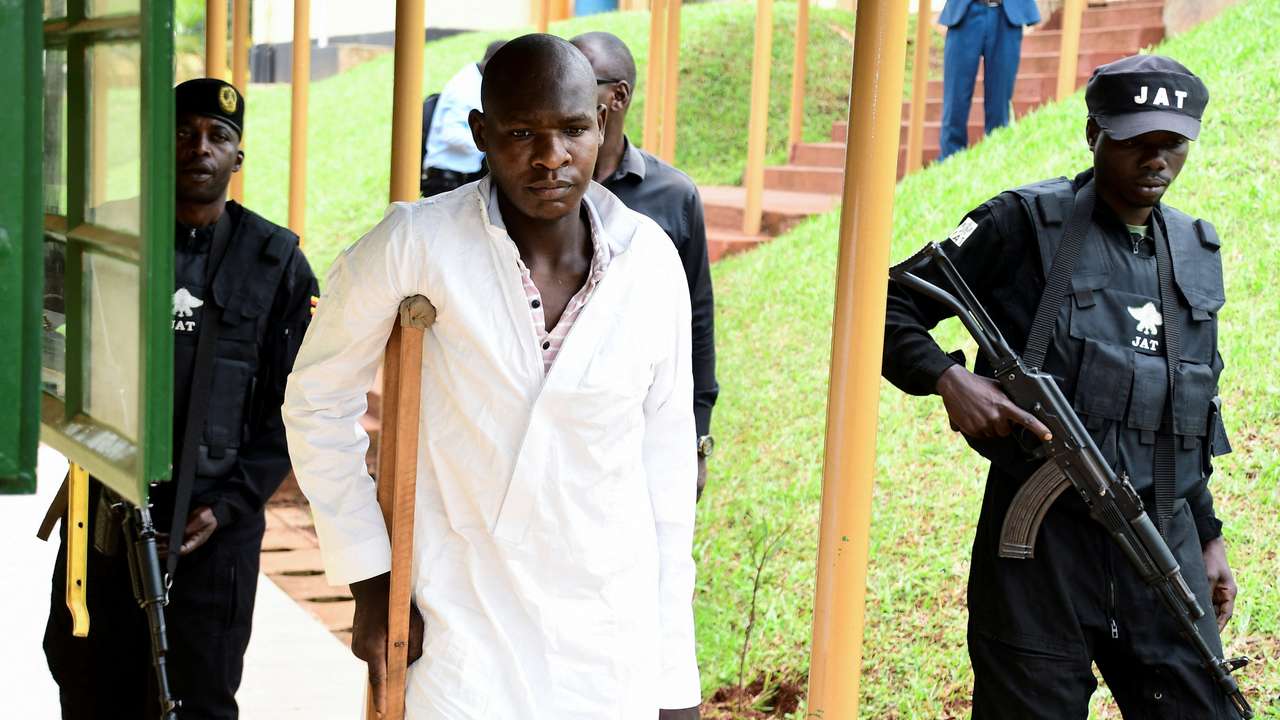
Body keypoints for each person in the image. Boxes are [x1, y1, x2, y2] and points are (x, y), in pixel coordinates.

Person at [283, 35, 700, 719]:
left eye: (571, 129)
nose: (550, 157)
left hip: (606, 643)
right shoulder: (418, 242)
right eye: (520, 133)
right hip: (460, 635)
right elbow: (316, 398)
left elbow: (667, 479)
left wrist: (673, 677)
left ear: (601, 122)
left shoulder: (649, 263)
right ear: (480, 132)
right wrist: (369, 575)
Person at [883, 55, 1242, 717]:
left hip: (1158, 542)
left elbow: (1180, 415)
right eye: (1136, 141)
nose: (1156, 160)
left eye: (1172, 144)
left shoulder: (1195, 250)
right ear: (1092, 133)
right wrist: (949, 377)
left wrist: (1208, 534)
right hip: (1041, 549)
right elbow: (890, 304)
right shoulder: (1022, 223)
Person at [42, 78, 318, 719]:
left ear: (237, 157)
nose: (200, 147)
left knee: (199, 699)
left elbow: (297, 398)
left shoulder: (274, 260)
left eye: (218, 136)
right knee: (89, 688)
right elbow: (31, 326)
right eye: (182, 131)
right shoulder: (101, 236)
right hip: (104, 516)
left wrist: (233, 503)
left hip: (214, 529)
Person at [569, 31, 718, 499]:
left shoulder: (673, 197)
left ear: (617, 97)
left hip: (638, 425)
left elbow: (696, 320)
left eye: (578, 79)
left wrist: (697, 439)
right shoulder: (534, 189)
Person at [937, 0, 1041, 160]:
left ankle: (996, 158)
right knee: (955, 100)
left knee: (1000, 102)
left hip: (1007, 14)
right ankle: (949, 160)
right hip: (964, 12)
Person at [420, 40, 506, 197]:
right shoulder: (464, 89)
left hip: (462, 177)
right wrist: (494, 143)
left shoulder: (476, 79)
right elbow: (451, 134)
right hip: (445, 181)